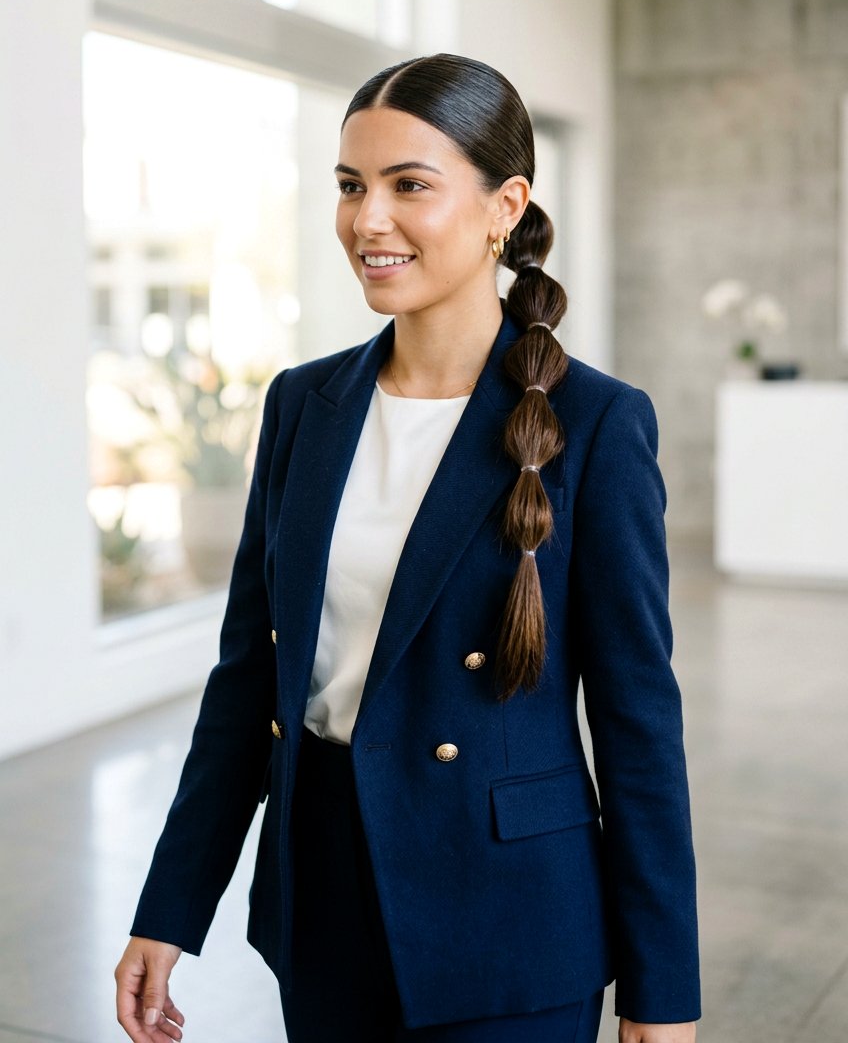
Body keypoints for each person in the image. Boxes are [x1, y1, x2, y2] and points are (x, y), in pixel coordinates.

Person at [115, 53, 701, 1042]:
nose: (366, 220)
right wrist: (170, 907)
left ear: (501, 206)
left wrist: (661, 989)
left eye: (407, 186)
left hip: (507, 910)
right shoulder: (305, 402)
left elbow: (638, 719)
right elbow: (248, 679)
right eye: (350, 186)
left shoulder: (595, 423)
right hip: (324, 893)